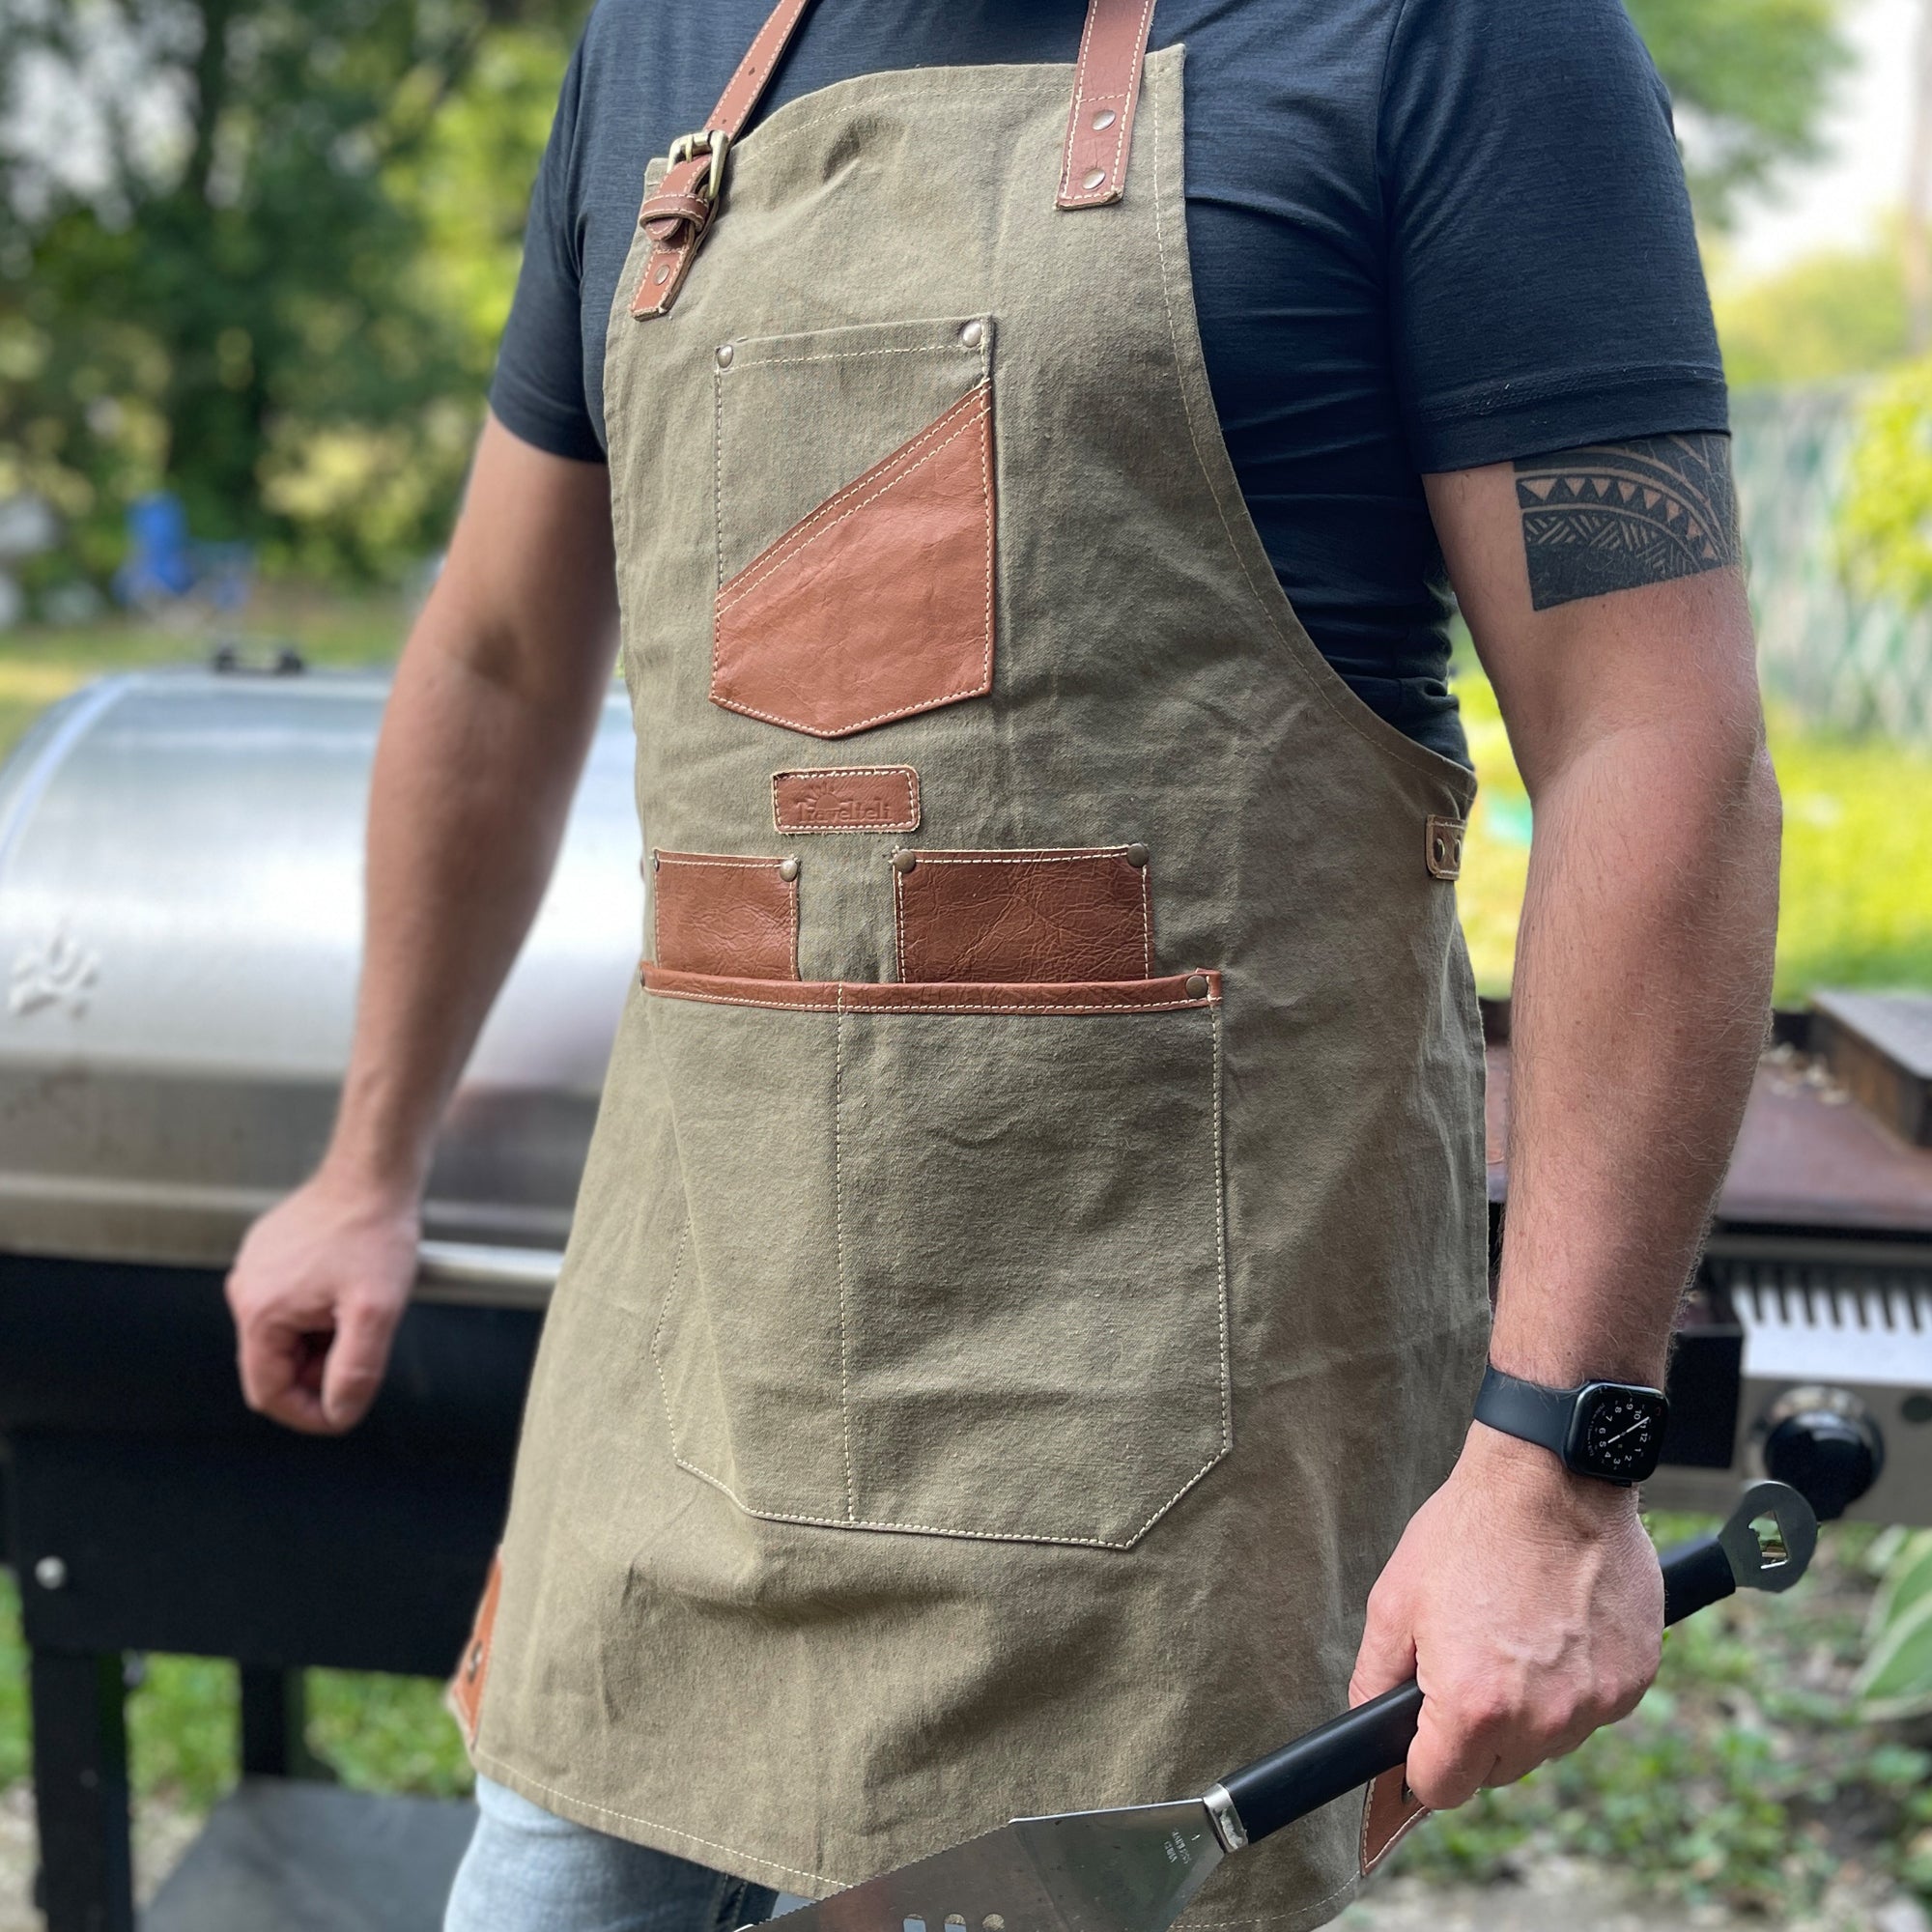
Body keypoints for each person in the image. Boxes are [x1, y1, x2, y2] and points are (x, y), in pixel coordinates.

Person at [224, 3, 1781, 1929]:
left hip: (1144, 1477)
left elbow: (1656, 744)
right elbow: (496, 657)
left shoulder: (1453, 37)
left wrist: (1563, 1456)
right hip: (680, 1410)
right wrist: (365, 1166)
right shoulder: (660, 49)